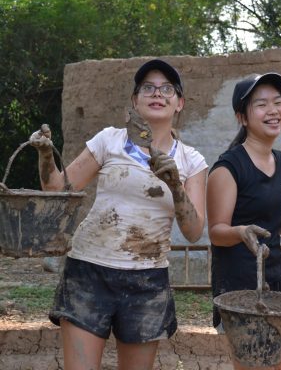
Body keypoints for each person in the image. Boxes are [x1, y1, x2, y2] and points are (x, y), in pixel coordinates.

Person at [29, 59, 208, 370]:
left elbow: (194, 231)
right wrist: (46, 155)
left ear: (180, 103)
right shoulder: (109, 140)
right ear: (134, 100)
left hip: (147, 281)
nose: (157, 94)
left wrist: (176, 187)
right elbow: (58, 190)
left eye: (167, 89)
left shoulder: (191, 160)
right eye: (147, 88)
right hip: (89, 271)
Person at [207, 73, 281, 370]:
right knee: (251, 365)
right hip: (239, 284)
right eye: (261, 105)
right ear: (242, 117)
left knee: (278, 363)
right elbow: (216, 232)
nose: (273, 111)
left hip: (276, 278)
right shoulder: (228, 167)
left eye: (278, 102)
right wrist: (242, 232)